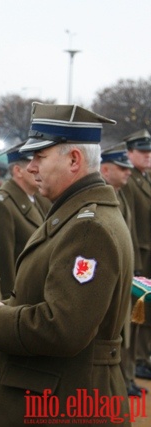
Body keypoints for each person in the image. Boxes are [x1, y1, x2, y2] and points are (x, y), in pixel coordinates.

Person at [0, 103, 132, 426]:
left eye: (40, 157)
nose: (32, 168)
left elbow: (63, 327)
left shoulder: (87, 227)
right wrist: (4, 307)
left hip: (65, 404)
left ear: (73, 160)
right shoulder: (75, 214)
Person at [100, 142, 143, 398]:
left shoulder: (121, 193)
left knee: (131, 326)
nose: (128, 171)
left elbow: (132, 236)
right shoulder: (108, 194)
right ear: (105, 169)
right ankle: (121, 380)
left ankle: (126, 377)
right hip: (114, 275)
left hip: (129, 272)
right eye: (121, 167)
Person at [0, 141, 47, 299]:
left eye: (40, 162)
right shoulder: (2, 205)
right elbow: (4, 267)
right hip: (19, 301)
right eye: (33, 163)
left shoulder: (39, 199)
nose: (39, 169)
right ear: (18, 171)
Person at [119, 130, 151, 382]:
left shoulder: (145, 179)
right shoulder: (129, 182)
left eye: (149, 152)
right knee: (137, 312)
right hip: (139, 255)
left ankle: (142, 357)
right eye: (142, 152)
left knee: (145, 310)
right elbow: (128, 223)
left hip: (147, 254)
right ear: (129, 153)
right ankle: (136, 361)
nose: (148, 156)